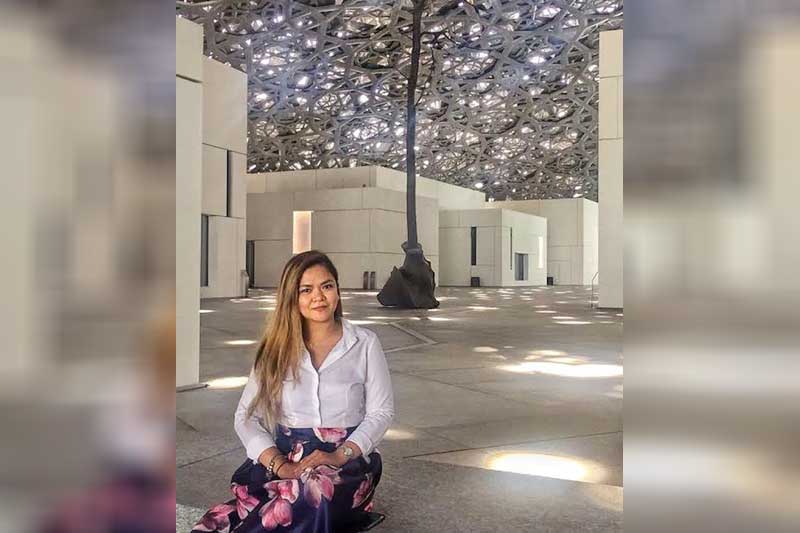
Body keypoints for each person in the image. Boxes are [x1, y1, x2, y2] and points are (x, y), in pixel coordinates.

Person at [192, 251, 394, 533]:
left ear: (337, 290)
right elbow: (246, 417)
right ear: (292, 297)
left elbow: (381, 413)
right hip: (287, 459)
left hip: (347, 461)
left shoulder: (364, 343)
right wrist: (280, 464)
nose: (319, 297)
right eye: (306, 290)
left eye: (327, 286)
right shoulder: (274, 351)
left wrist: (339, 455)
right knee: (229, 518)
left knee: (316, 495)